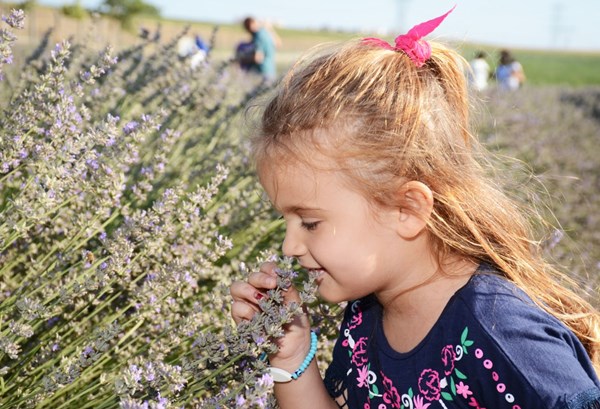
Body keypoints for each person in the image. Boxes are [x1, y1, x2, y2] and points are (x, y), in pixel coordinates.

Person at [230, 7, 600, 409]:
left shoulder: (502, 335)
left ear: (407, 210)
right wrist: (292, 357)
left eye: (310, 222)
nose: (289, 246)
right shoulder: (368, 311)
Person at [241, 16, 278, 82]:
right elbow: (278, 44)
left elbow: (258, 58)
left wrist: (243, 59)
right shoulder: (266, 32)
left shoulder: (257, 37)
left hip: (262, 73)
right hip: (271, 70)